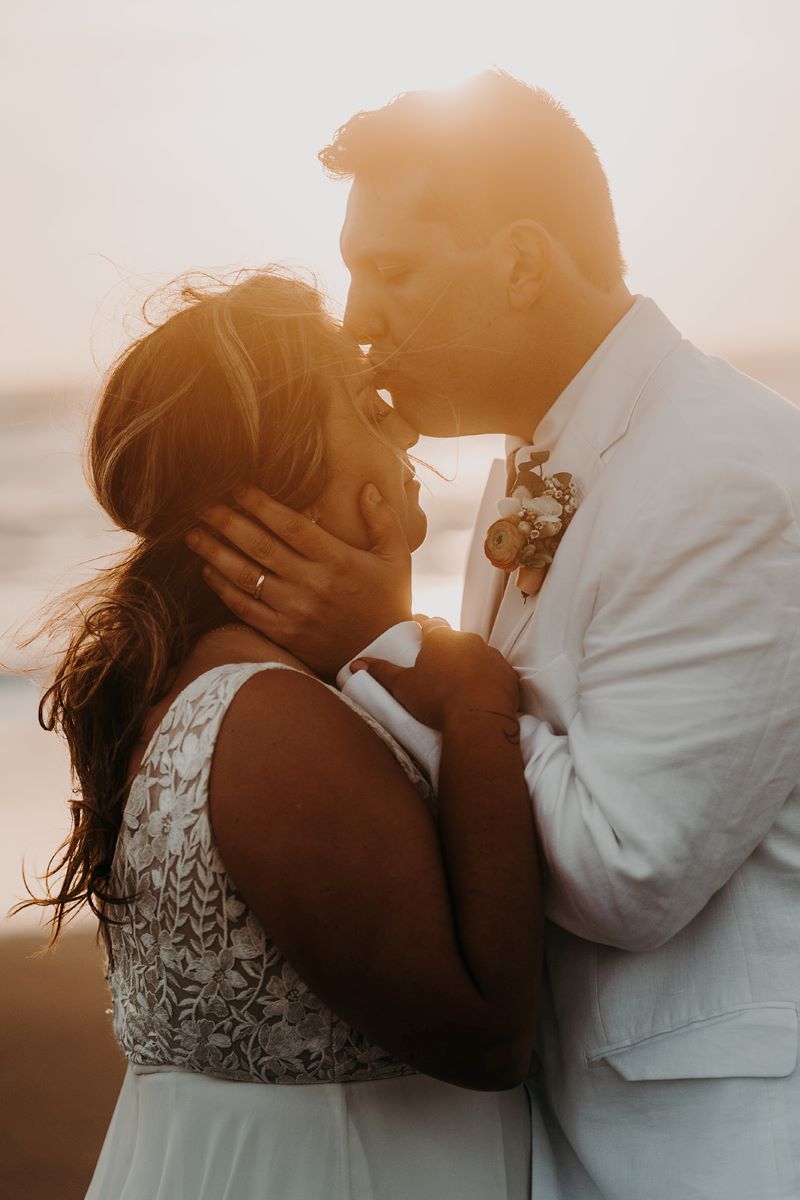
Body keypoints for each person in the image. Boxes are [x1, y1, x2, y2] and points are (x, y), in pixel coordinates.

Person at [189, 73, 800, 1199]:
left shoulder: (725, 474)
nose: (356, 318)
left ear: (520, 262)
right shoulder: (528, 473)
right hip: (560, 1140)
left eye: (392, 270)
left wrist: (397, 656)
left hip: (713, 1156)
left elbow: (629, 869)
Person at [23, 270, 542, 1200]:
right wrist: (471, 707)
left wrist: (378, 638)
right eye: (366, 405)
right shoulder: (270, 719)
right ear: (285, 467)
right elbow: (488, 1035)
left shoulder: (212, 679)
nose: (406, 432)